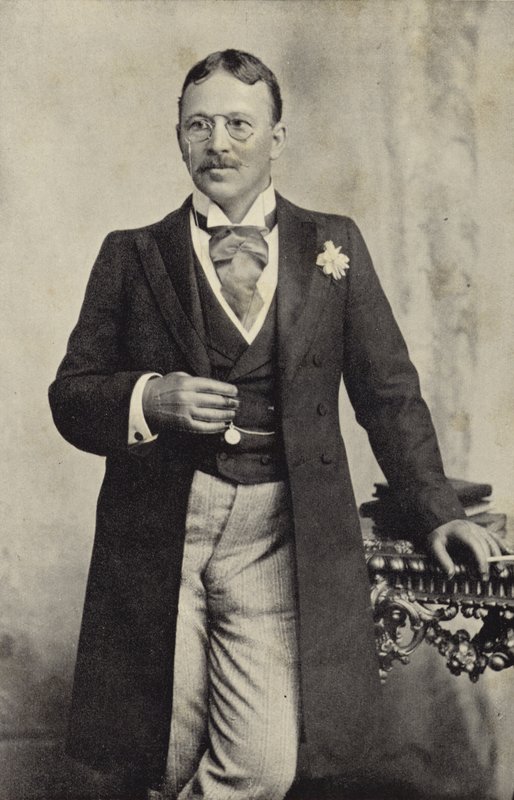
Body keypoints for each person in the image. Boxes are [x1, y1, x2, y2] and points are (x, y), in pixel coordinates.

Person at [49, 50, 505, 800]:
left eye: (239, 124)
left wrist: (438, 512)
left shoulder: (334, 243)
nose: (218, 144)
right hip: (159, 528)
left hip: (276, 532)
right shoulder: (131, 253)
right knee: (168, 754)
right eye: (199, 125)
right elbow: (72, 395)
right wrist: (151, 398)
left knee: (260, 764)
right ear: (178, 136)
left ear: (277, 138)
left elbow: (388, 394)